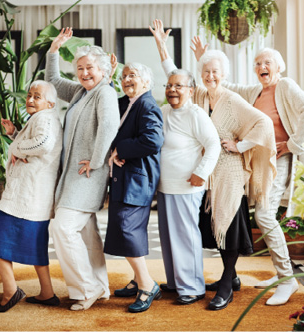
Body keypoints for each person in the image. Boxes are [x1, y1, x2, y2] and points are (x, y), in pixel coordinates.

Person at [150, 19, 277, 310]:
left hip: (229, 171)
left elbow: (263, 122)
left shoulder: (232, 100)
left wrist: (240, 145)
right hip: (207, 172)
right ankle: (229, 278)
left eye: (215, 72)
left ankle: (226, 283)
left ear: (224, 74)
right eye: (206, 71)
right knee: (212, 227)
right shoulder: (199, 95)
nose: (210, 76)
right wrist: (161, 46)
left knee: (228, 225)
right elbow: (174, 76)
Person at [191, 40, 304, 305]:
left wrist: (293, 143)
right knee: (257, 215)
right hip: (257, 160)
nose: (261, 67)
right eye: (257, 63)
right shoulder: (255, 92)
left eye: (267, 62)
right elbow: (226, 88)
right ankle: (267, 274)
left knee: (264, 215)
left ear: (278, 67)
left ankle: (288, 278)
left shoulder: (284, 86)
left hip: (278, 159)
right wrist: (206, 61)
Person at [45, 28, 119, 311]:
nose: (85, 72)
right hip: (74, 174)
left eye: (90, 67)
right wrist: (53, 50)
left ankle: (84, 289)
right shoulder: (79, 91)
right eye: (80, 68)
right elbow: (52, 80)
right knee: (87, 232)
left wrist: (97, 160)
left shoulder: (105, 93)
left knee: (63, 228)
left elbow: (109, 127)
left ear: (102, 69)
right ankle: (99, 286)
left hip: (87, 174)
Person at [0, 80, 62, 312]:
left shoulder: (44, 118)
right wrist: (15, 133)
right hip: (35, 196)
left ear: (50, 103)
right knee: (36, 246)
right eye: (29, 95)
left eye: (37, 96)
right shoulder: (46, 118)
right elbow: (41, 143)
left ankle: (10, 291)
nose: (30, 99)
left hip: (25, 196)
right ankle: (47, 293)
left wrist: (15, 146)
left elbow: (44, 143)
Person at [157, 68, 221, 305]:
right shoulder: (163, 111)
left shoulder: (196, 114)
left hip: (187, 185)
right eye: (169, 85)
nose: (172, 90)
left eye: (178, 86)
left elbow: (213, 145)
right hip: (164, 185)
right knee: (167, 236)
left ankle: (192, 287)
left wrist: (201, 173)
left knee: (185, 236)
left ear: (191, 91)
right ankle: (175, 281)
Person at [104, 62, 164, 313]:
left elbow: (153, 140)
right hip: (124, 178)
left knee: (129, 230)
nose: (127, 79)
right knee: (122, 229)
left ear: (146, 82)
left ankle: (148, 285)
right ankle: (140, 278)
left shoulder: (147, 105)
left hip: (137, 179)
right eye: (124, 76)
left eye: (133, 76)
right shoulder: (126, 103)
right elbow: (105, 105)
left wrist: (121, 149)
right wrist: (107, 76)